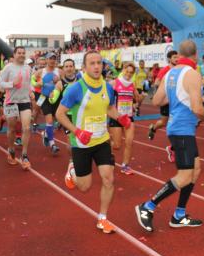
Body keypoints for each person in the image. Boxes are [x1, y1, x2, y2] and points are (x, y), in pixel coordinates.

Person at [135, 40, 204, 232]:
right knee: (185, 175)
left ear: (179, 55)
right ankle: (148, 206)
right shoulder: (193, 74)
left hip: (178, 128)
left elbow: (156, 100)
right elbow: (197, 108)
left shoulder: (170, 73)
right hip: (182, 129)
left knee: (195, 170)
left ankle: (179, 215)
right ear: (195, 55)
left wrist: (175, 97)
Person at [56, 50, 132, 234]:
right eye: (92, 63)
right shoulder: (75, 89)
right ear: (84, 67)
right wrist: (77, 131)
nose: (97, 66)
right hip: (81, 143)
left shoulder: (108, 87)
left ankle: (102, 218)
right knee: (84, 187)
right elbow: (60, 114)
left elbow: (110, 109)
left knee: (108, 178)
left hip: (101, 140)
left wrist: (120, 117)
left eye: (99, 63)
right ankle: (72, 169)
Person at [0, 47, 33, 170]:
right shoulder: (8, 68)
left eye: (23, 53)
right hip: (11, 102)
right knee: (12, 129)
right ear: (14, 54)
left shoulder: (28, 68)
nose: (22, 55)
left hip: (25, 101)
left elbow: (29, 83)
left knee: (27, 128)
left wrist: (31, 91)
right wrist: (12, 83)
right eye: (19, 53)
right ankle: (11, 149)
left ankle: (24, 155)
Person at [109, 62, 141, 175]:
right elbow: (106, 99)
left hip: (128, 118)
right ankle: (107, 149)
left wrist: (136, 104)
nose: (129, 74)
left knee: (129, 142)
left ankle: (125, 165)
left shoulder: (132, 85)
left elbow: (137, 99)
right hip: (117, 117)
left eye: (131, 73)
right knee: (117, 145)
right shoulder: (114, 83)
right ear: (123, 70)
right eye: (127, 71)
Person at [33, 52, 62, 155]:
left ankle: (46, 133)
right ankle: (52, 144)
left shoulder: (59, 71)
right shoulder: (41, 71)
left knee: (54, 120)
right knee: (49, 121)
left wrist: (59, 81)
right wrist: (37, 84)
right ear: (47, 60)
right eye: (50, 58)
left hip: (56, 99)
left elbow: (65, 83)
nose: (52, 60)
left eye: (54, 58)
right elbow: (32, 81)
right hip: (44, 98)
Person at [148, 51, 179, 142]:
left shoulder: (179, 69)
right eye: (174, 57)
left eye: (177, 57)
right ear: (169, 59)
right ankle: (153, 128)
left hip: (177, 99)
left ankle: (175, 142)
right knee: (163, 122)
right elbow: (157, 82)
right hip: (166, 100)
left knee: (177, 120)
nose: (177, 59)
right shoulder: (165, 70)